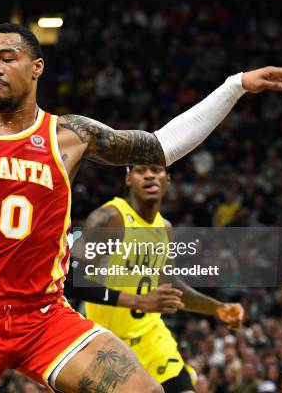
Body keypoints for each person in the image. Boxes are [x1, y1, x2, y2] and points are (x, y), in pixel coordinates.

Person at [0, 22, 282, 392]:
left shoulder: (69, 135)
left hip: (43, 316)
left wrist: (235, 85)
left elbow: (161, 147)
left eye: (7, 58)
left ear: (36, 67)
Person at [66, 165, 244, 393]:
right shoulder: (109, 218)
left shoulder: (164, 228)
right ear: (128, 178)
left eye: (156, 170)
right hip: (108, 344)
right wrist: (138, 301)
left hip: (152, 340)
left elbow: (166, 284)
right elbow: (70, 280)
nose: (150, 175)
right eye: (141, 170)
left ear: (167, 178)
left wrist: (217, 308)